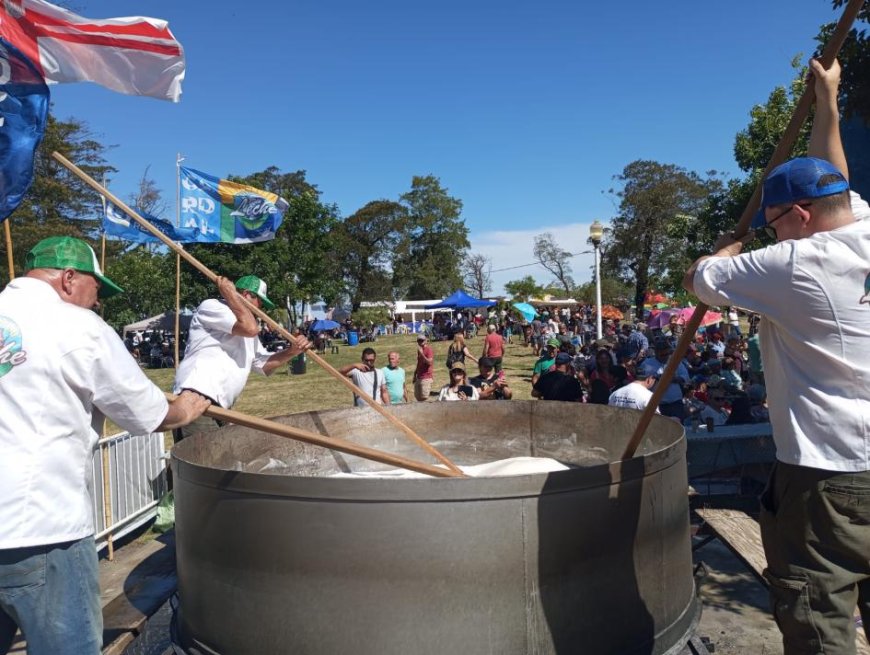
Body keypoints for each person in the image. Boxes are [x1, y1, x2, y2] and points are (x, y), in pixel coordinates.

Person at [684, 59, 870, 654]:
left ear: (800, 217)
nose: (771, 237)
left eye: (772, 226)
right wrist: (827, 101)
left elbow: (701, 280)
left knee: (817, 607)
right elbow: (831, 175)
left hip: (830, 471)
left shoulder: (798, 263)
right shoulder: (860, 226)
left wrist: (724, 250)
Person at [0, 237, 210, 655]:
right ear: (69, 278)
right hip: (41, 529)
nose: (97, 304)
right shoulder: (78, 327)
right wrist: (185, 410)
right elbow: (144, 411)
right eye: (97, 290)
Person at [172, 275, 310, 441]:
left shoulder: (248, 328)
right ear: (246, 295)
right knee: (200, 462)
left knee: (216, 461)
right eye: (260, 302)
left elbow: (263, 366)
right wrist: (230, 295)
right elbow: (250, 328)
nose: (261, 308)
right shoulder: (213, 307)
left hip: (220, 406)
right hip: (195, 397)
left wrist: (292, 351)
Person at [640, 338, 690, 420]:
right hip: (656, 404)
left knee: (678, 429)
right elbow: (642, 381)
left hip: (675, 403)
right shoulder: (647, 363)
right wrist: (656, 378)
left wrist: (674, 379)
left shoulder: (675, 361)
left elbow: (686, 377)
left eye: (667, 354)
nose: (665, 357)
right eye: (662, 355)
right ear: (656, 352)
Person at [413, 334, 435, 401]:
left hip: (426, 377)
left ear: (425, 340)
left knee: (424, 398)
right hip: (419, 377)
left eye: (422, 340)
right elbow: (419, 363)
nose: (420, 342)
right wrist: (415, 374)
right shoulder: (420, 350)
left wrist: (422, 354)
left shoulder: (429, 350)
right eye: (418, 340)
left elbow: (429, 362)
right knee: (417, 397)